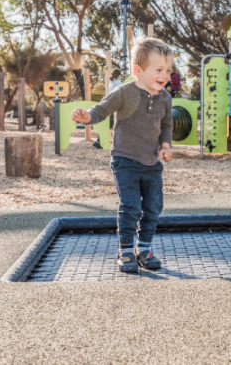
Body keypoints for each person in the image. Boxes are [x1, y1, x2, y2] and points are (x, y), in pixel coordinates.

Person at [71, 39, 174, 273]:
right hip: (125, 160)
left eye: (168, 70)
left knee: (153, 207)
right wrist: (87, 117)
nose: (165, 75)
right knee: (130, 205)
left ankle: (144, 250)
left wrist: (165, 146)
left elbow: (166, 124)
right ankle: (126, 249)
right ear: (138, 71)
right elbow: (101, 109)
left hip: (151, 162)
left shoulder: (165, 98)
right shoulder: (124, 93)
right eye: (159, 70)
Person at [93, 70, 125, 150]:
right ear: (119, 75)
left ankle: (99, 141)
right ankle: (100, 141)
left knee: (109, 125)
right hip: (115, 107)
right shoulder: (118, 82)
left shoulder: (111, 83)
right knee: (113, 125)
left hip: (110, 105)